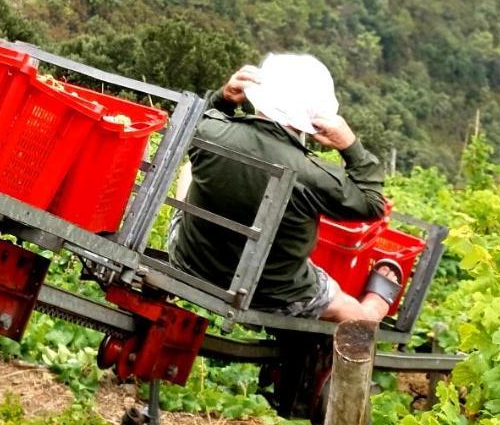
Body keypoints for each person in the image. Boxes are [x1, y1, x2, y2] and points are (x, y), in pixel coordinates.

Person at [167, 55, 401, 323]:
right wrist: (350, 146)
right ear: (315, 115)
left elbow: (190, 124)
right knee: (351, 312)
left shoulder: (209, 132)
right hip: (272, 294)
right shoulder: (313, 175)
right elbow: (372, 205)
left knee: (189, 169)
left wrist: (223, 97)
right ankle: (373, 310)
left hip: (189, 260)